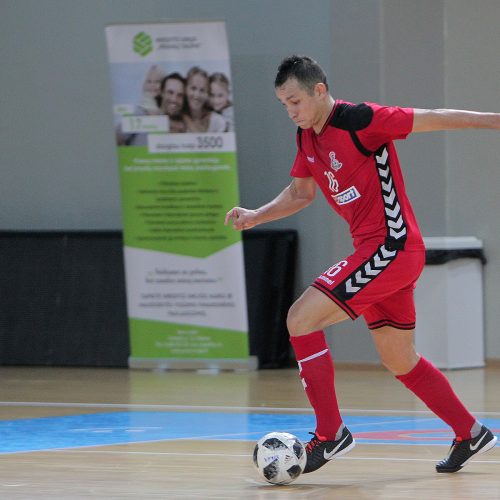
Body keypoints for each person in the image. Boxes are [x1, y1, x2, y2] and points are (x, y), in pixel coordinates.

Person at [224, 55, 499, 474]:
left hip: (392, 247)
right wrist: (256, 216)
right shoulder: (306, 138)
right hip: (380, 254)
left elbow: (436, 117)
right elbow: (300, 194)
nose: (290, 111)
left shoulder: (360, 120)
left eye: (295, 100)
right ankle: (471, 432)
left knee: (300, 319)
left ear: (319, 90)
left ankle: (331, 433)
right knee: (398, 358)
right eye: (283, 104)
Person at [182, 66, 227, 133]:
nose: (197, 95)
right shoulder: (177, 117)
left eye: (202, 90)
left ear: (207, 94)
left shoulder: (218, 121)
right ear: (185, 89)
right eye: (193, 88)